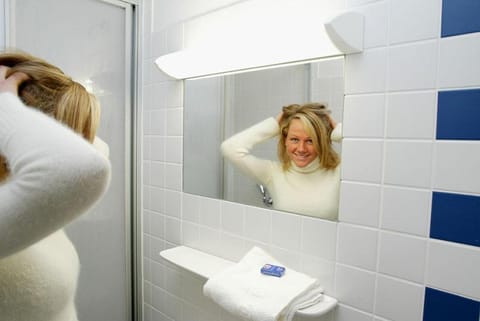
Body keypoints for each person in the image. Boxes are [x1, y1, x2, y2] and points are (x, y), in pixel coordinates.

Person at [0, 51, 111, 321]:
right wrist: (6, 104)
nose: (88, 142)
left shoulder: (24, 194)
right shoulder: (37, 187)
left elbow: (94, 152)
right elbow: (83, 168)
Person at [221, 103, 341, 220]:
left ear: (322, 142)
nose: (301, 149)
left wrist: (338, 132)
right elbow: (230, 148)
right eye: (294, 139)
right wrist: (274, 124)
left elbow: (360, 154)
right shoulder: (273, 173)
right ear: (285, 140)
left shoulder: (340, 172)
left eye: (310, 141)